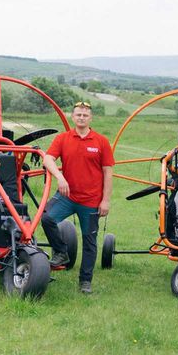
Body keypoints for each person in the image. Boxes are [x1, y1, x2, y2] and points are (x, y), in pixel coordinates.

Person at [40, 101, 114, 294]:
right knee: (46, 218)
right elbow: (47, 158)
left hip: (91, 201)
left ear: (91, 118)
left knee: (89, 240)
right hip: (66, 197)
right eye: (78, 115)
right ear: (72, 117)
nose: (81, 118)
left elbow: (108, 173)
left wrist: (105, 200)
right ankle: (61, 252)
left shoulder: (101, 141)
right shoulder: (63, 138)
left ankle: (85, 281)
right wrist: (60, 176)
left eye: (85, 115)